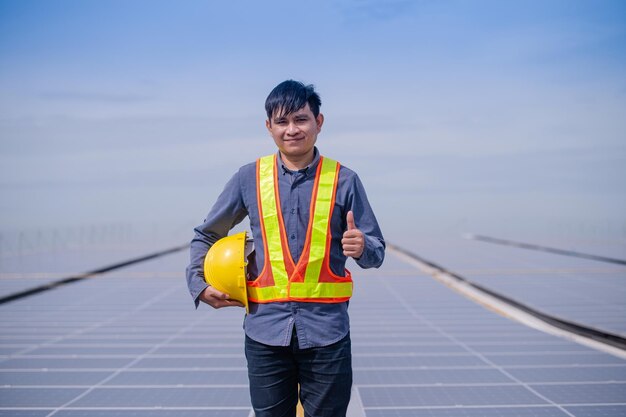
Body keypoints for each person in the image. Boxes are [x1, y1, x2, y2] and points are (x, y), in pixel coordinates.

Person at [185, 80, 385, 417]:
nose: (292, 129)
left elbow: (376, 251)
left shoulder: (345, 179)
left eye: (300, 119)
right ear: (269, 127)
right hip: (265, 335)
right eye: (282, 122)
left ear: (318, 122)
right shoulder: (248, 178)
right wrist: (198, 285)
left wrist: (363, 246)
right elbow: (206, 235)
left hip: (327, 335)